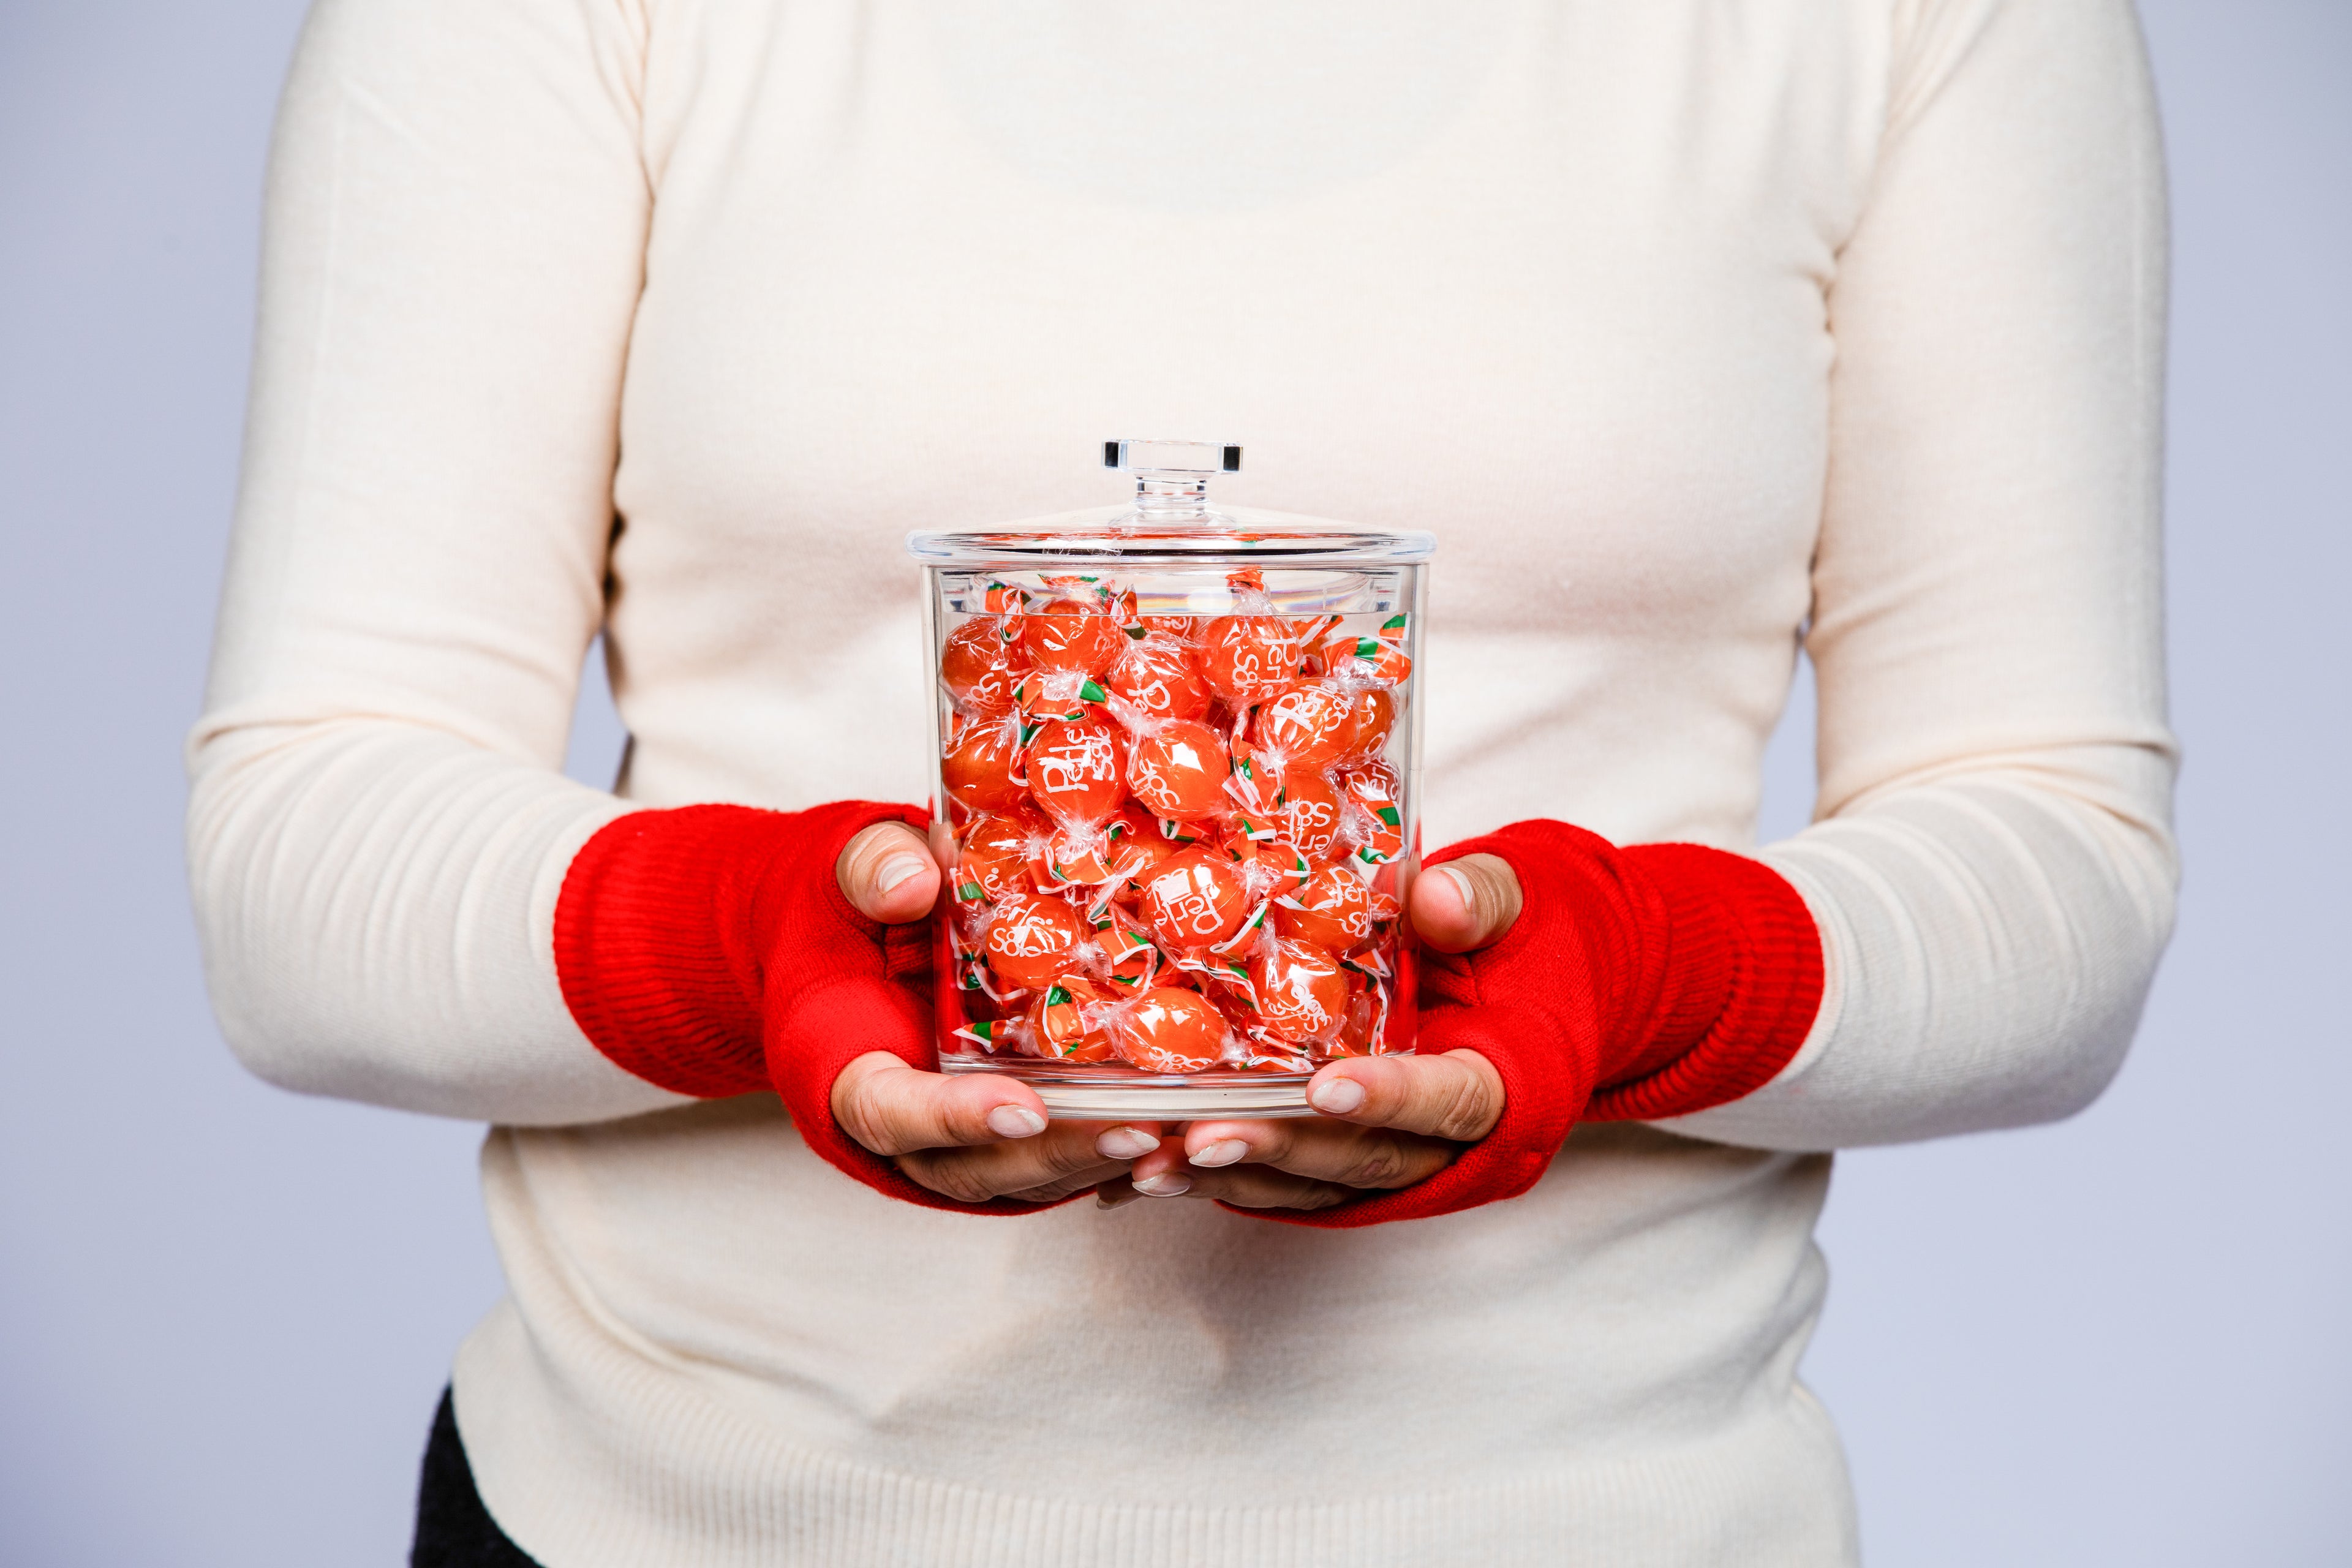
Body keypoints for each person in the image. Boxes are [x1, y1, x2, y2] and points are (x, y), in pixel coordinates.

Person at [186, 1, 2177, 1563]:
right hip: (664, 1532)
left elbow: (2057, 874)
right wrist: (758, 942)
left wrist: (1633, 975)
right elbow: (302, 859)